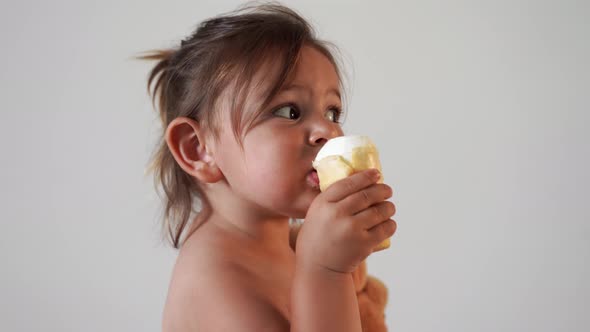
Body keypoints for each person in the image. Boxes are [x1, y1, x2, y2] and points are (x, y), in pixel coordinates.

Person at [140, 3, 397, 331]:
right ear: (198, 149)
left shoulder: (288, 241)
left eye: (332, 112)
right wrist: (326, 272)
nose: (329, 131)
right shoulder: (214, 281)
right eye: (289, 111)